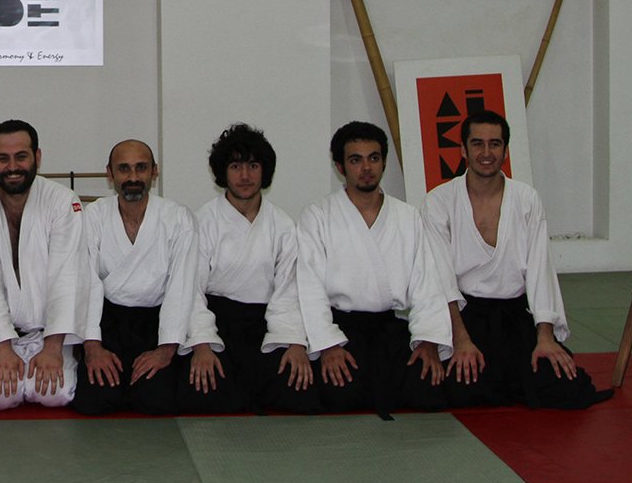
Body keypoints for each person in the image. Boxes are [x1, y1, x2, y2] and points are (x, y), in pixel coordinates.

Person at [425, 110, 609, 409]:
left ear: (505, 150)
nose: (486, 153)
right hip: (466, 316)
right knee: (459, 389)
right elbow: (440, 277)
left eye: (495, 144)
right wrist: (461, 339)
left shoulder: (526, 199)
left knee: (566, 388)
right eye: (477, 144)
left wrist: (545, 336)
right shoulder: (439, 201)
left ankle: (511, 374)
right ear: (463, 150)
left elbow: (540, 269)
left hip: (515, 315)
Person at [297, 121, 452, 418]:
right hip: (342, 329)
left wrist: (429, 340)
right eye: (356, 160)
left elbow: (427, 283)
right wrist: (328, 346)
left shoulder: (408, 216)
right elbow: (309, 287)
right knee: (340, 396)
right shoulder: (317, 216)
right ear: (340, 167)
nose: (366, 167)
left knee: (429, 392)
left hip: (390, 328)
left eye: (374, 158)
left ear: (383, 162)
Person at [178, 123, 319, 415]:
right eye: (236, 166)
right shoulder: (202, 222)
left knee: (299, 393)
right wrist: (202, 344)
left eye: (253, 166)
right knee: (205, 392)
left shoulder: (282, 225)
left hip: (266, 323)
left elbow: (289, 291)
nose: (245, 176)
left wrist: (295, 342)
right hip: (218, 322)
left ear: (265, 171)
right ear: (223, 172)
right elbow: (190, 291)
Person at [0, 119, 87, 410]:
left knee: (54, 394)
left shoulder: (62, 200)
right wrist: (2, 346)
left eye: (21, 156)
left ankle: (57, 353)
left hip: (50, 332)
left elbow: (66, 276)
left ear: (37, 157)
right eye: (3, 158)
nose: (12, 167)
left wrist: (53, 347)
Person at [72, 139, 196, 415]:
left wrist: (165, 350)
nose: (133, 177)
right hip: (108, 323)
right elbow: (87, 282)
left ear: (154, 171)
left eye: (141, 168)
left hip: (155, 324)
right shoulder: (94, 216)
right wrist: (92, 346)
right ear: (110, 173)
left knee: (157, 402)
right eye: (124, 168)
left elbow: (181, 287)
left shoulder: (177, 218)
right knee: (93, 402)